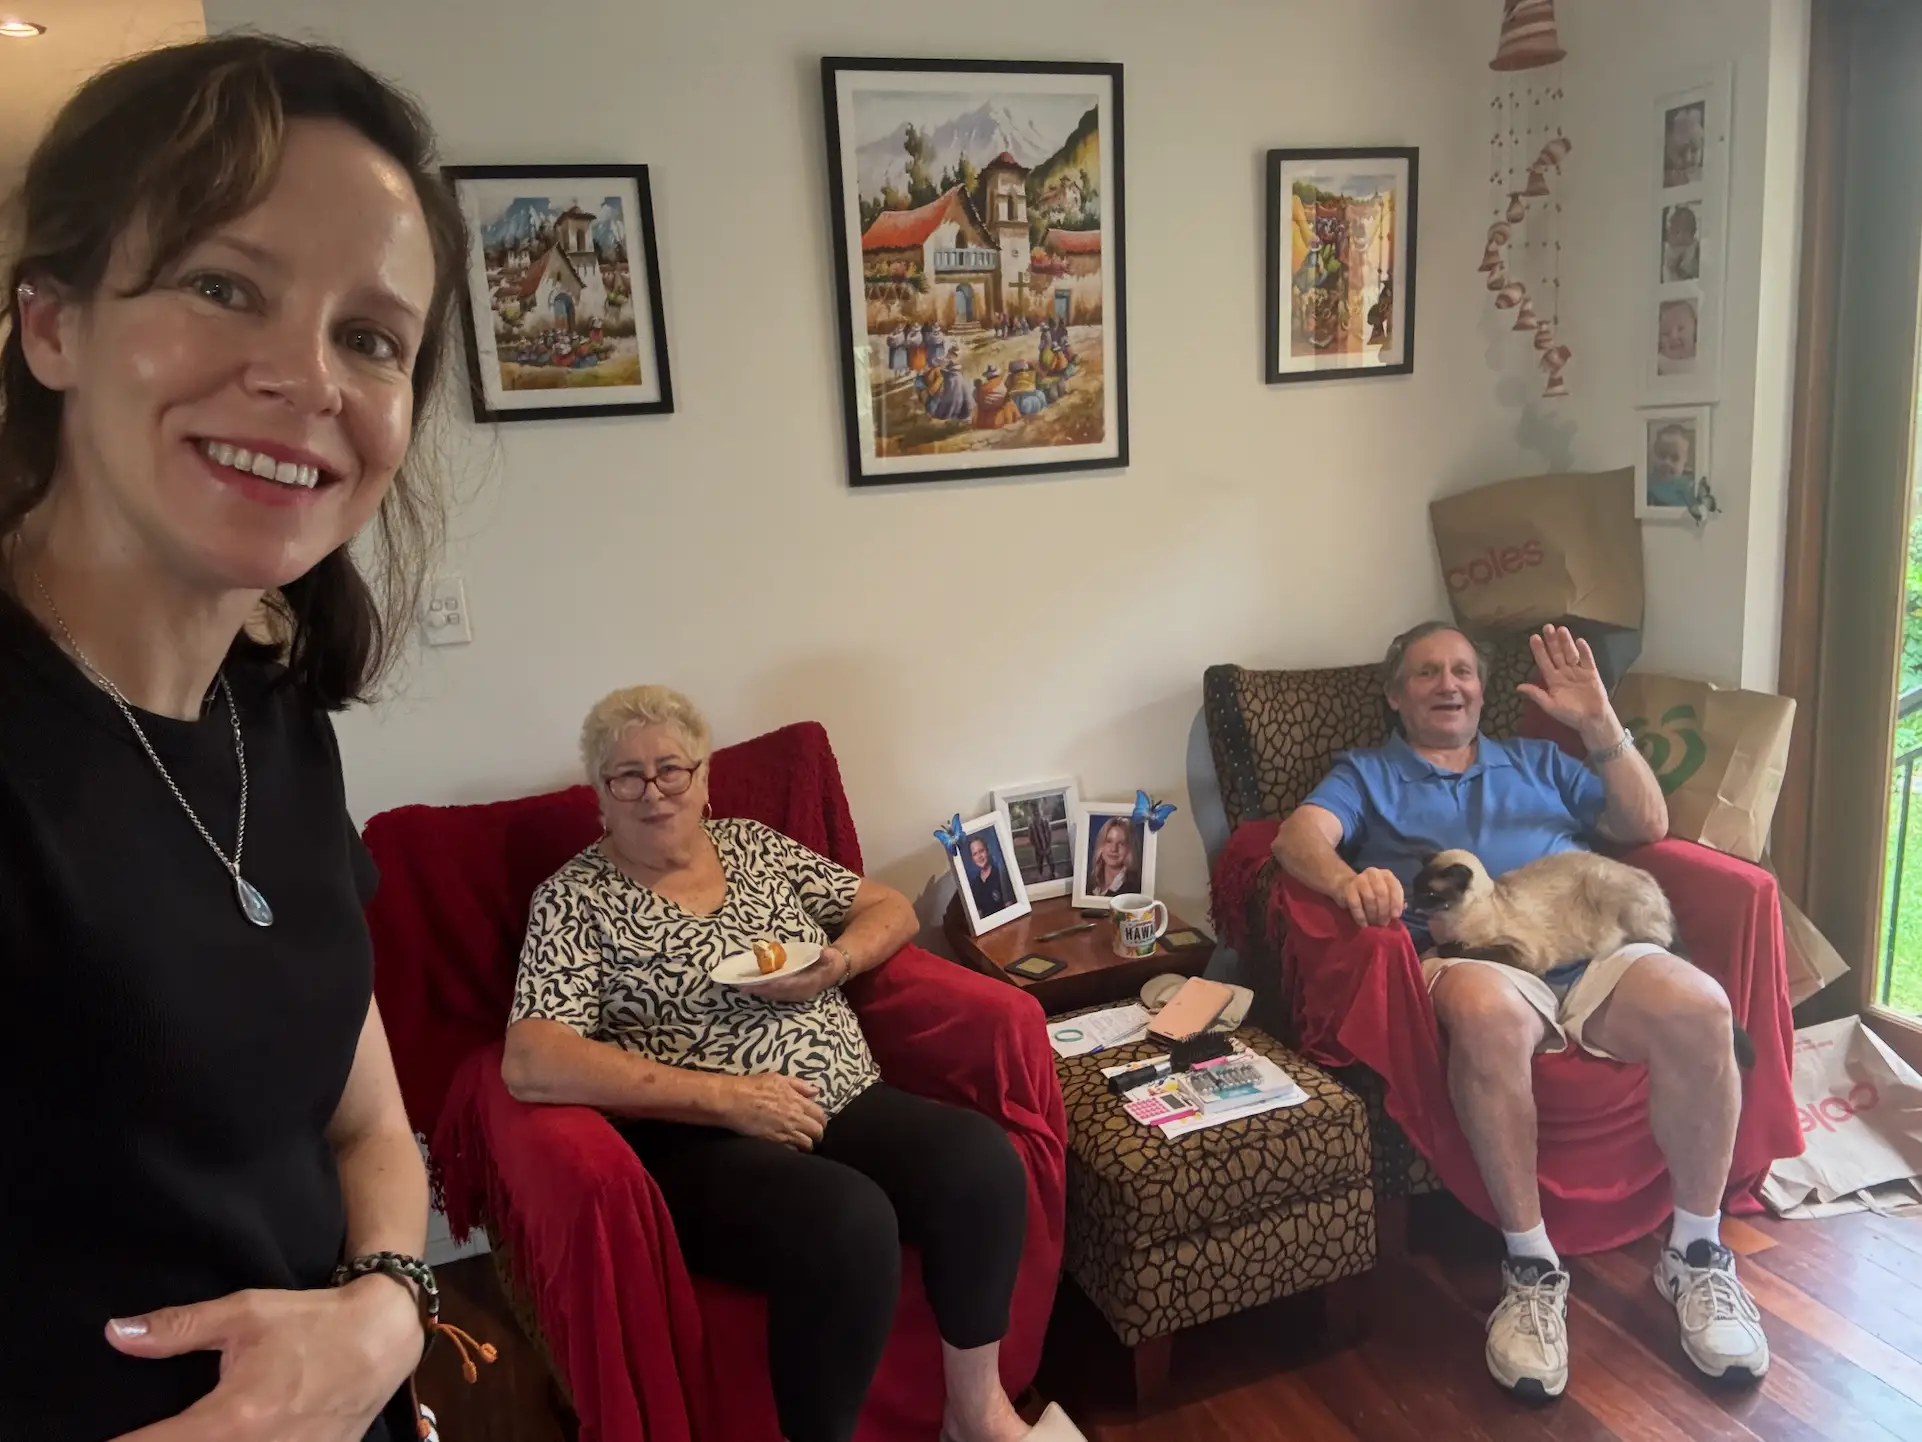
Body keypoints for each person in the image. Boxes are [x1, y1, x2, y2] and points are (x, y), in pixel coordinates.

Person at [0, 35, 473, 1442]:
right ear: (52, 326)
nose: (304, 377)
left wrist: (389, 1312)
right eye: (223, 285)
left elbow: (367, 1125)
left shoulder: (274, 721)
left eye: (369, 337)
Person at [502, 686, 1086, 1442]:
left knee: (981, 1164)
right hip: (695, 1137)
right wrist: (725, 1098)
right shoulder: (574, 900)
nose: (653, 792)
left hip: (840, 1094)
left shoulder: (754, 848)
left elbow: (891, 909)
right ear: (600, 797)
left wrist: (837, 960)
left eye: (671, 770)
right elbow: (529, 1058)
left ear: (704, 778)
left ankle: (975, 1413)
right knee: (849, 1224)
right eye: (626, 777)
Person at [1271, 622, 1768, 1400]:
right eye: (1428, 672)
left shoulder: (1538, 760)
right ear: (1395, 695)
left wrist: (1599, 722)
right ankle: (1533, 1267)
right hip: (1480, 963)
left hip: (1590, 945)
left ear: (1482, 689)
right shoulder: (1367, 773)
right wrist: (1347, 884)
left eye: (1464, 670)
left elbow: (1647, 825)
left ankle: (1696, 1258)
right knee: (1489, 1012)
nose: (1449, 683)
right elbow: (1297, 838)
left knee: (1703, 1008)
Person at [1084, 816, 1143, 897]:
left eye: (1121, 843)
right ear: (1101, 845)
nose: (1114, 849)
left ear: (1130, 849)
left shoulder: (1133, 890)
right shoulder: (1089, 885)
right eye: (1109, 841)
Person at [1647, 422, 1697, 509]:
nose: (1667, 462)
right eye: (1662, 455)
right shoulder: (1650, 486)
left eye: (1675, 458)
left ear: (1685, 463)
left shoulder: (1690, 485)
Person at [966, 834, 1015, 915]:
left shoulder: (1001, 875)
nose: (979, 856)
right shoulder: (974, 885)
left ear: (987, 850)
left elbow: (1010, 907)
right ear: (972, 858)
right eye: (975, 854)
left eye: (981, 851)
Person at [1025, 801, 1057, 882]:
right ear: (1032, 814)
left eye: (1038, 811)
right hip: (1038, 848)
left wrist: (1049, 846)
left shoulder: (1046, 822)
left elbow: (1050, 834)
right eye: (1035, 812)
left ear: (1041, 812)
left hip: (1047, 846)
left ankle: (1053, 873)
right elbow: (1031, 838)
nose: (1037, 814)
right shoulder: (1031, 825)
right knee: (1039, 863)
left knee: (1051, 861)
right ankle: (1040, 875)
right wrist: (1037, 847)